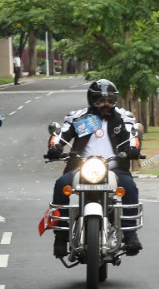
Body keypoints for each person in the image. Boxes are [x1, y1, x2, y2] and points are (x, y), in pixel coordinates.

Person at [45, 79, 142, 258]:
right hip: (81, 168)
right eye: (100, 100)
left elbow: (132, 134)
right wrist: (55, 148)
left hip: (114, 168)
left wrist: (133, 149)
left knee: (129, 186)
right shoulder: (80, 117)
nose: (106, 104)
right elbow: (61, 134)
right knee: (61, 184)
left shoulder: (123, 117)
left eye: (110, 100)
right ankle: (60, 235)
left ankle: (130, 234)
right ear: (91, 100)